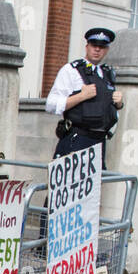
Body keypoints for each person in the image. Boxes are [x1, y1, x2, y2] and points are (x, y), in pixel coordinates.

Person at [45, 27, 122, 169]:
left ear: (107, 50)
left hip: (99, 143)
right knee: (67, 188)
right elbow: (51, 105)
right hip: (77, 139)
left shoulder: (106, 74)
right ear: (87, 46)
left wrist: (118, 104)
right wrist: (81, 96)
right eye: (94, 45)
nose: (97, 49)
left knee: (95, 189)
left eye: (102, 46)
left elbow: (106, 109)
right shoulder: (72, 70)